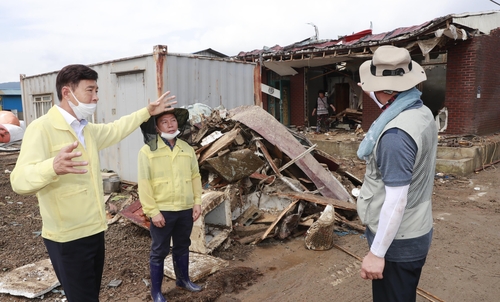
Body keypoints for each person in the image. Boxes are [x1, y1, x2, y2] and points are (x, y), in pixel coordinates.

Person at [10, 64, 177, 302]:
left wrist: (146, 112)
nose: (96, 96)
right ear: (67, 93)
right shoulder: (42, 128)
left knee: (90, 295)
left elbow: (116, 129)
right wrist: (52, 167)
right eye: (90, 90)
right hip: (67, 237)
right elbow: (18, 181)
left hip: (95, 230)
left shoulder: (86, 130)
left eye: (96, 90)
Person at [356, 45, 437, 302]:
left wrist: (377, 253)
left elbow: (396, 200)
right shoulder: (420, 111)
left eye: (373, 87)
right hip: (417, 228)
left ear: (387, 91)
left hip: (398, 243)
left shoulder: (395, 136)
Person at [138, 108, 203, 302]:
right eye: (164, 122)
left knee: (182, 246)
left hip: (184, 208)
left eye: (173, 120)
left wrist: (197, 202)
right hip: (163, 210)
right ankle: (156, 293)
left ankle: (183, 281)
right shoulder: (148, 151)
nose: (170, 124)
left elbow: (195, 176)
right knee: (159, 251)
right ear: (157, 128)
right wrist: (153, 212)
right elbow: (144, 182)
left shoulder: (186, 148)